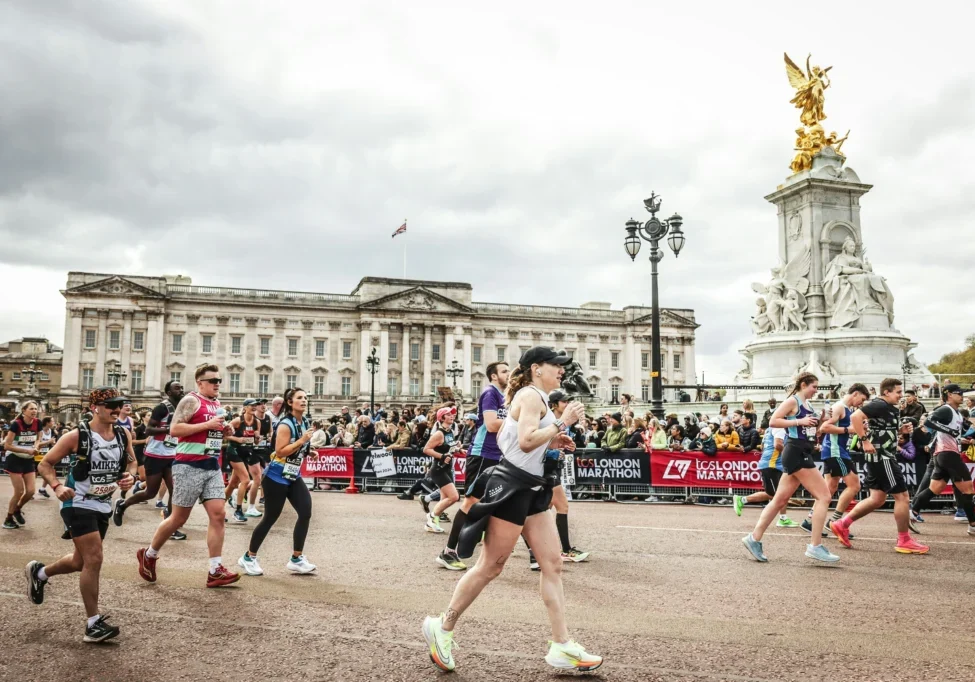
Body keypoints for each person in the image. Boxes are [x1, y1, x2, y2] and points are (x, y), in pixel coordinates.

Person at [421, 346, 601, 672]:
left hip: (532, 489)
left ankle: (561, 645)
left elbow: (528, 440)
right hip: (513, 486)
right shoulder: (531, 396)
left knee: (552, 563)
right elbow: (526, 440)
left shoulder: (537, 398)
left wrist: (556, 440)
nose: (561, 370)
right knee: (491, 566)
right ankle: (443, 626)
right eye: (555, 365)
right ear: (536, 368)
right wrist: (562, 423)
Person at [27, 386, 137, 642]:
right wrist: (57, 486)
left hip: (102, 504)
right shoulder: (77, 436)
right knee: (95, 558)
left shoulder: (123, 434)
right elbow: (45, 463)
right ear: (94, 408)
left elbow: (132, 461)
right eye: (110, 405)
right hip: (76, 502)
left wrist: (131, 476)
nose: (116, 409)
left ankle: (39, 573)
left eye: (119, 404)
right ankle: (93, 624)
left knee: (80, 561)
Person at [136, 364, 240, 588]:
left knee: (218, 515)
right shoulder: (191, 401)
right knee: (178, 519)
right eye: (213, 381)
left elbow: (209, 431)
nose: (217, 384)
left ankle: (215, 569)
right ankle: (150, 554)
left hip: (212, 465)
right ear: (200, 383)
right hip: (188, 466)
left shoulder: (216, 404)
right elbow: (175, 430)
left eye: (219, 381)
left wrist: (224, 430)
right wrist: (208, 424)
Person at [741, 373, 839, 563]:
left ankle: (753, 538)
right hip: (796, 452)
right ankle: (815, 546)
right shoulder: (792, 401)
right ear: (803, 384)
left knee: (778, 500)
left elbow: (811, 430)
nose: (816, 390)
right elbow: (773, 421)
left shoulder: (808, 405)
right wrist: (799, 421)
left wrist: (823, 419)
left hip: (800, 450)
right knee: (824, 496)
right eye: (814, 386)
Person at [829, 378, 928, 554]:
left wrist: (900, 431)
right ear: (887, 392)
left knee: (877, 498)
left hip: (881, 457)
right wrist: (864, 440)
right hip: (883, 458)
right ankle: (904, 540)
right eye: (898, 392)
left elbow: (879, 428)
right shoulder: (880, 404)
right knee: (903, 497)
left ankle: (841, 524)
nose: (901, 395)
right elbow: (855, 416)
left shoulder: (888, 408)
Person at [238, 388, 318, 576]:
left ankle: (296, 558)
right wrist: (302, 441)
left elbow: (301, 445)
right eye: (300, 398)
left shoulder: (304, 421)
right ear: (290, 402)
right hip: (275, 477)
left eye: (305, 398)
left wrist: (309, 450)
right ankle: (249, 557)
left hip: (293, 475)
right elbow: (280, 451)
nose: (304, 400)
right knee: (270, 518)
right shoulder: (285, 424)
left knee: (305, 512)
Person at [437, 362, 509, 571]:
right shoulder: (490, 393)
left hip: (497, 455)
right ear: (494, 376)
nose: (509, 374)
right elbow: (491, 424)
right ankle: (448, 551)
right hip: (483, 454)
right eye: (504, 371)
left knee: (497, 503)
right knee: (470, 502)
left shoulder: (504, 397)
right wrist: (521, 424)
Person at [113, 381, 187, 541]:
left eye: (181, 388)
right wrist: (169, 429)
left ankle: (171, 527)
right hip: (155, 454)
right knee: (150, 492)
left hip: (172, 454)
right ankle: (123, 505)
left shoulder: (182, 409)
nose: (180, 390)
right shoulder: (162, 408)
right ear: (168, 392)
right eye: (177, 388)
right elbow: (149, 430)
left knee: (175, 491)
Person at [526, 389, 590, 570]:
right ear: (554, 404)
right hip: (545, 467)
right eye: (564, 402)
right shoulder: (548, 421)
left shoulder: (566, 422)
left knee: (542, 509)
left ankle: (535, 550)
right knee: (561, 505)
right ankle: (565, 549)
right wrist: (554, 449)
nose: (567, 404)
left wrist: (568, 444)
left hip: (554, 466)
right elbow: (537, 444)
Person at [909, 383, 975, 538]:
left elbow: (967, 430)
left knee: (935, 489)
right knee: (968, 490)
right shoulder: (946, 409)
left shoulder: (957, 413)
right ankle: (973, 524)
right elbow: (928, 422)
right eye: (959, 393)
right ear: (949, 394)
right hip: (948, 454)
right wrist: (949, 430)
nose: (962, 395)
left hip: (943, 455)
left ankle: (912, 512)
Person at [811, 383, 869, 536]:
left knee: (829, 488)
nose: (861, 404)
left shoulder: (847, 409)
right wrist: (848, 430)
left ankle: (811, 520)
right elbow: (824, 428)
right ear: (855, 393)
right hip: (836, 452)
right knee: (854, 486)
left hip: (834, 451)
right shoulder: (839, 407)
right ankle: (834, 522)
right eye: (861, 399)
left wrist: (857, 429)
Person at [732, 424, 799, 527]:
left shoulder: (769, 429)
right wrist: (790, 453)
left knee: (781, 492)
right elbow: (778, 445)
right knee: (776, 495)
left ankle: (783, 518)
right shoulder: (780, 427)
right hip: (772, 465)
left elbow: (762, 447)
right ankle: (742, 499)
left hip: (775, 464)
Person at [422, 406, 463, 534]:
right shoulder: (439, 433)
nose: (452, 416)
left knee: (444, 498)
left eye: (453, 414)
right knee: (454, 496)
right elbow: (426, 449)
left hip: (447, 468)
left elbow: (448, 448)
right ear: (442, 417)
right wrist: (442, 456)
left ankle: (434, 523)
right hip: (438, 469)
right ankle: (432, 517)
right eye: (449, 414)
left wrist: (458, 449)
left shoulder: (450, 431)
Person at [3, 401, 42, 529]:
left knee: (30, 491)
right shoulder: (16, 424)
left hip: (28, 459)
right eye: (31, 409)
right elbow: (7, 445)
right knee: (19, 491)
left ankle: (17, 509)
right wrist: (27, 450)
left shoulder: (38, 423)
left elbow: (38, 439)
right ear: (24, 410)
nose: (34, 411)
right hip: (14, 458)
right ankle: (8, 519)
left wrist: (36, 447)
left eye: (36, 409)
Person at [225, 398, 265, 522]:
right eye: (251, 406)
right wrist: (238, 439)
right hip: (234, 451)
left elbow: (256, 439)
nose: (254, 407)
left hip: (246, 452)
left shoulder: (257, 422)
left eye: (255, 406)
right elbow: (225, 434)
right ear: (245, 407)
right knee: (246, 480)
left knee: (232, 484)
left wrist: (258, 438)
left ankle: (218, 509)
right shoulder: (238, 420)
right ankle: (238, 511)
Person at [34, 417, 57, 499]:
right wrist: (48, 442)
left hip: (45, 455)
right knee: (34, 475)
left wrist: (53, 443)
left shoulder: (51, 431)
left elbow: (51, 442)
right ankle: (31, 491)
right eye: (52, 421)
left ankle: (42, 489)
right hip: (36, 456)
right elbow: (37, 444)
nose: (54, 422)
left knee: (49, 473)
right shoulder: (40, 431)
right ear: (47, 422)